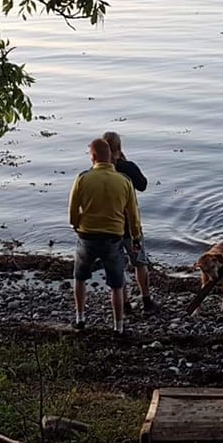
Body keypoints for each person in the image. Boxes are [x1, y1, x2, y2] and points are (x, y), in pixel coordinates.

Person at [68, 137, 142, 334]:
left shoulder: (83, 178)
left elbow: (73, 208)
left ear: (93, 157)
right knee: (116, 284)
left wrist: (76, 225)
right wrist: (135, 237)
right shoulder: (124, 181)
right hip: (113, 238)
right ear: (111, 156)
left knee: (80, 277)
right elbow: (133, 215)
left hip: (87, 236)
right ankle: (118, 326)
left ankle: (80, 318)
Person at [102, 130, 160, 314]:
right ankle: (146, 300)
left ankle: (124, 303)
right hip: (130, 226)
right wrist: (126, 163)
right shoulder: (127, 168)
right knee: (140, 263)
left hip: (109, 227)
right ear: (119, 148)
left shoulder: (97, 172)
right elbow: (142, 185)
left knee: (117, 266)